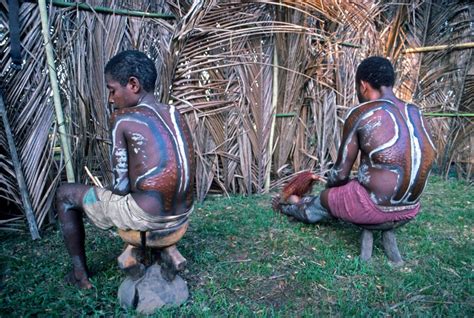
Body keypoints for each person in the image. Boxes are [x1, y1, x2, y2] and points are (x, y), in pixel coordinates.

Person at [55, 50, 195, 289]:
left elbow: (121, 188)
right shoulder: (175, 113)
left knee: (65, 194)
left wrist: (105, 192)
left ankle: (80, 274)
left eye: (112, 90)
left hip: (147, 215)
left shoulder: (122, 119)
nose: (111, 98)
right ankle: (162, 252)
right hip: (183, 213)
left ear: (133, 84)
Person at [274, 56, 436, 226]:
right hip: (411, 209)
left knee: (323, 199)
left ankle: (288, 207)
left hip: (374, 209)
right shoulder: (416, 112)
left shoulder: (362, 113)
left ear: (363, 86)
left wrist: (330, 189)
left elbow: (340, 175)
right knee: (351, 187)